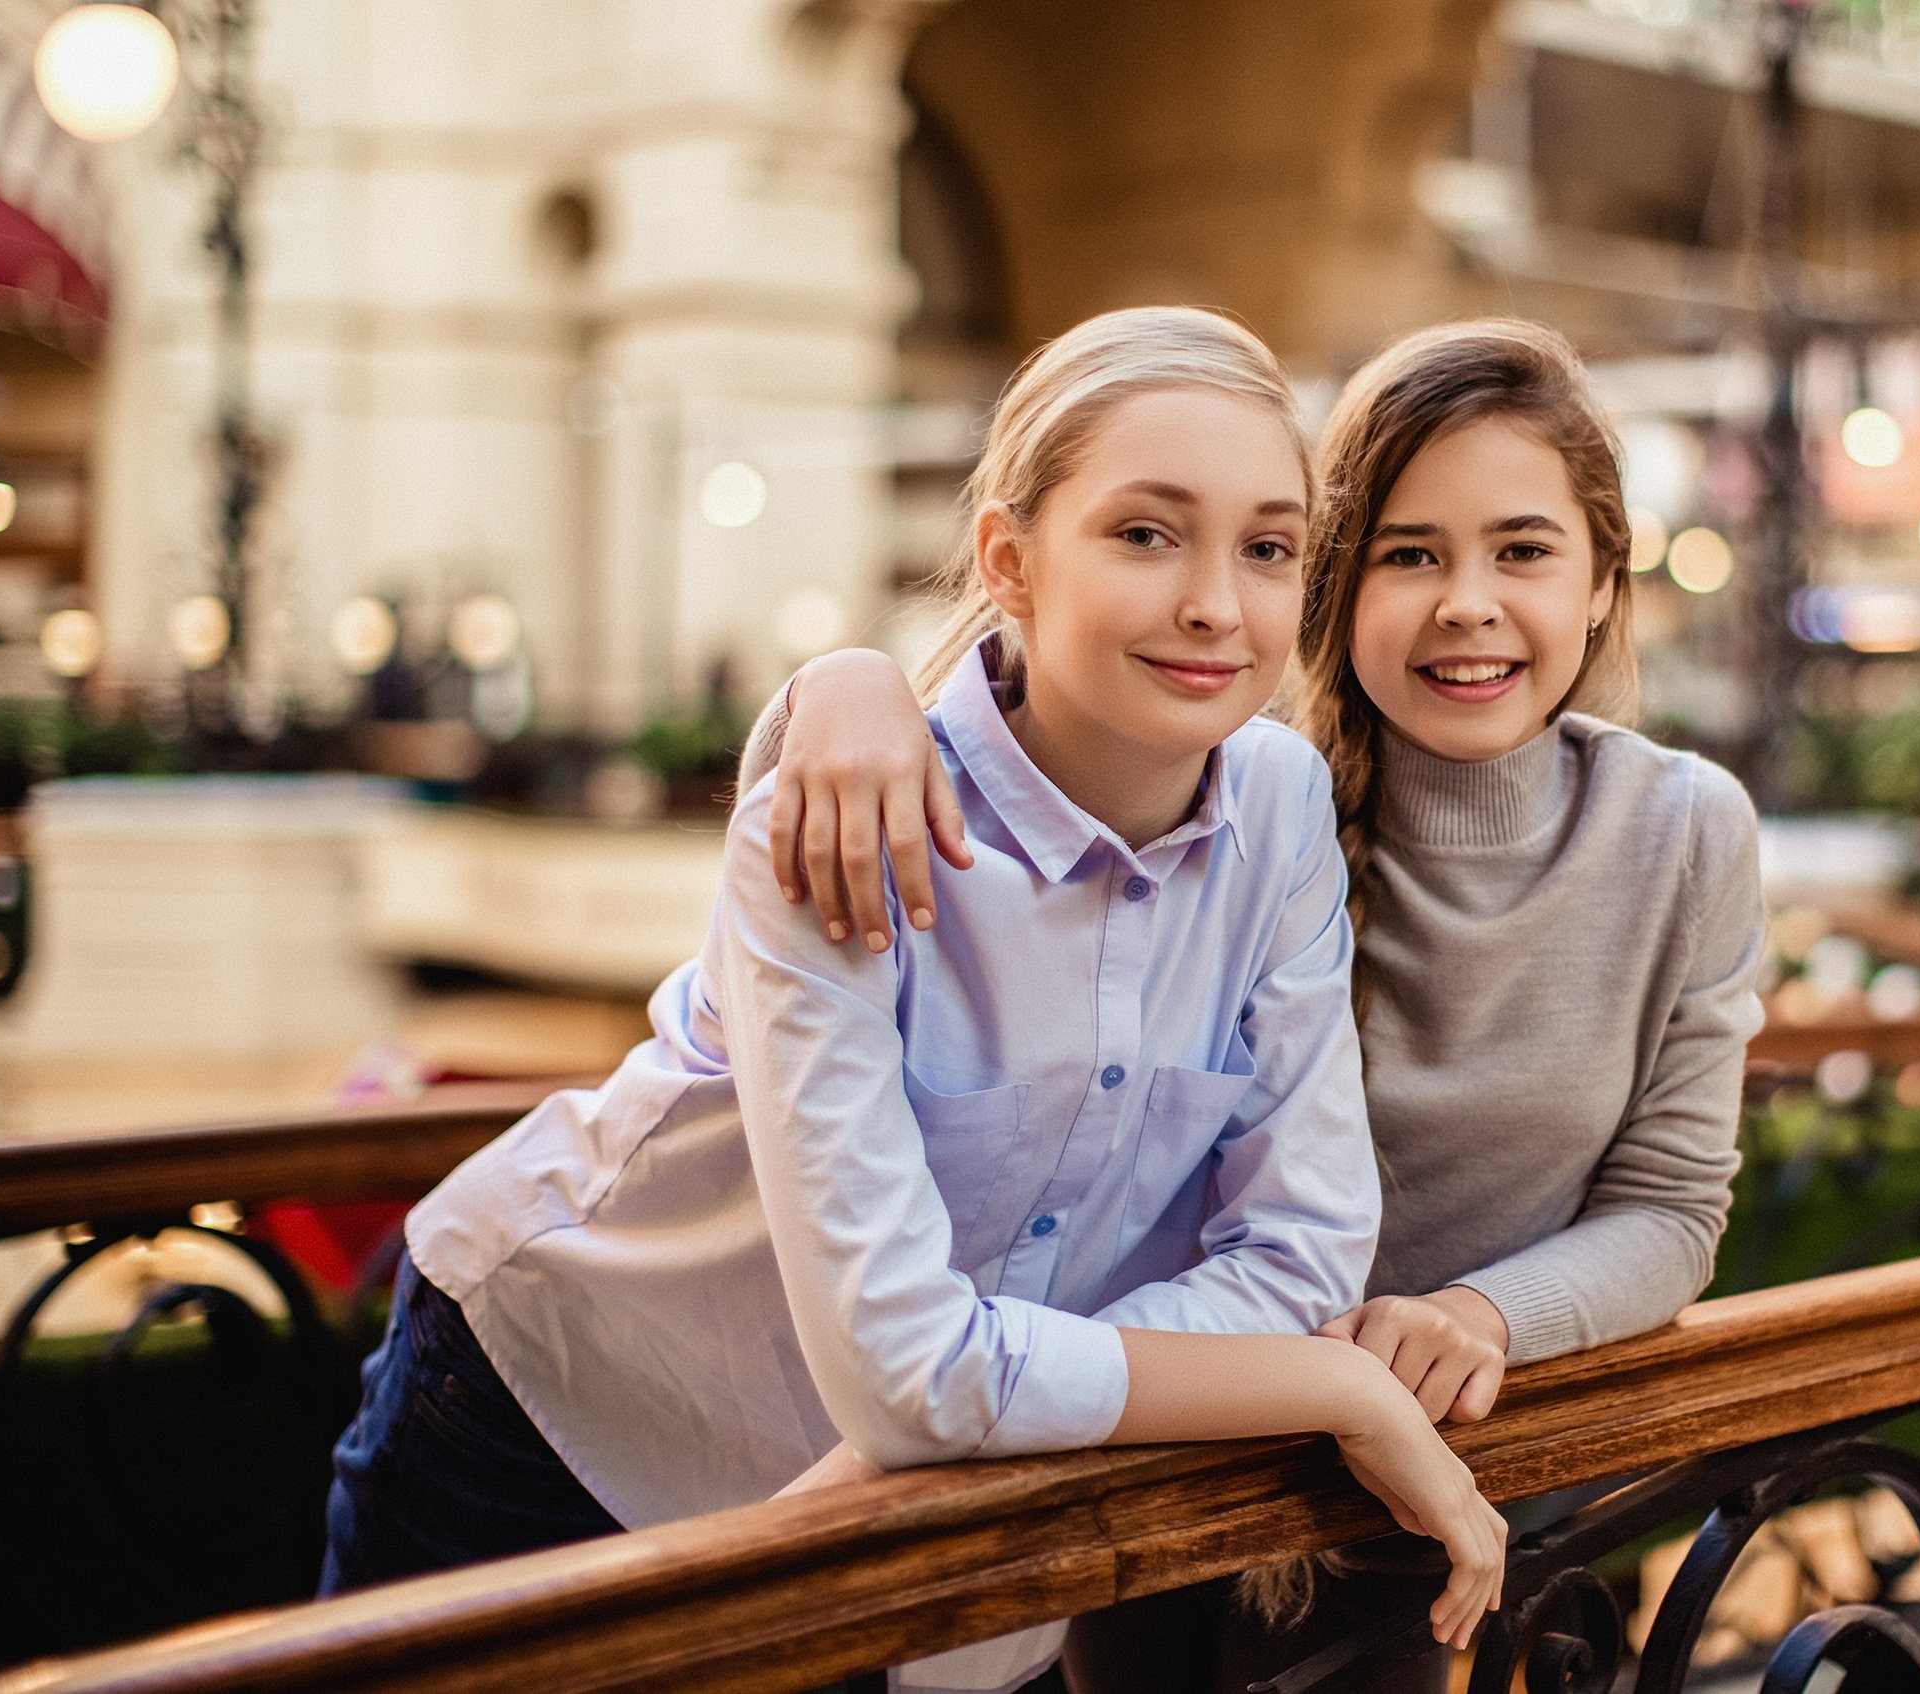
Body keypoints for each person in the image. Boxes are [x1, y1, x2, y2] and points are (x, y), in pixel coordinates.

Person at [319, 307, 1507, 1691]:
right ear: (1009, 559)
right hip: (557, 1417)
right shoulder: (841, 820)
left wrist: (988, 1384)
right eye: (1145, 533)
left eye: (1267, 546)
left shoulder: (1282, 806)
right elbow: (912, 1376)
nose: (1217, 604)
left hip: (906, 1510)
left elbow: (1298, 1260)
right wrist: (1326, 1382)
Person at [741, 318, 1766, 1692]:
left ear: (1600, 583)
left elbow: (1675, 1206)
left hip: (1446, 1468)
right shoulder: (1258, 801)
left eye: (1523, 550)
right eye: (1411, 554)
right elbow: (1023, 743)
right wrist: (840, 680)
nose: (1469, 602)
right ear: (1337, 591)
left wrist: (1481, 1314)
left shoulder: (1685, 833)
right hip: (1160, 1448)